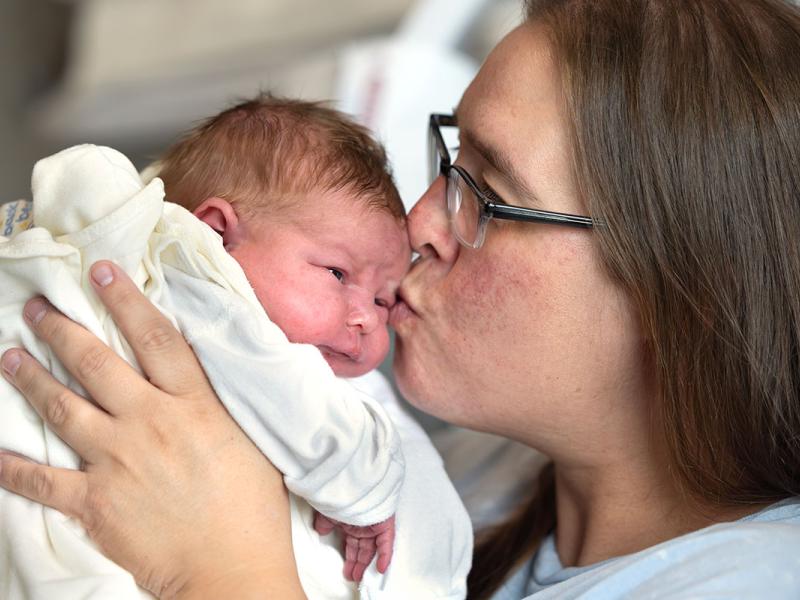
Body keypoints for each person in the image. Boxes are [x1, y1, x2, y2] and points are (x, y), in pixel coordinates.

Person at [2, 0, 800, 597]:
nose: (417, 221)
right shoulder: (484, 481)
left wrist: (223, 566)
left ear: (675, 294)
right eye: (451, 160)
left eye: (487, 193)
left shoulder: (752, 584)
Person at [0, 97, 471, 599]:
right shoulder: (211, 291)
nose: (366, 317)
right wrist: (366, 495)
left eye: (382, 300)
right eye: (338, 274)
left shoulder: (328, 365)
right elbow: (302, 409)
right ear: (216, 235)